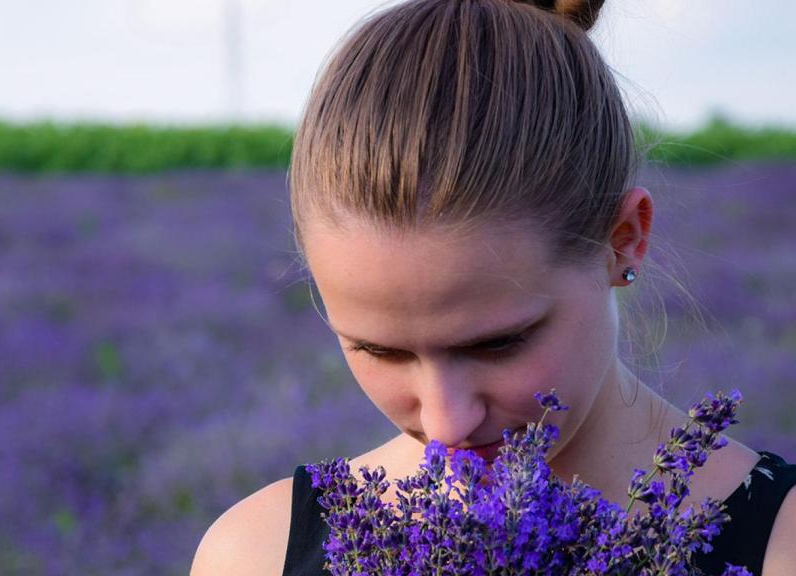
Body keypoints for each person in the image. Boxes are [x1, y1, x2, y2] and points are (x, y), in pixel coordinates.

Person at [190, 0, 796, 574]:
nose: (448, 423)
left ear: (622, 240)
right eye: (382, 351)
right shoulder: (256, 556)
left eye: (497, 343)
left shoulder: (781, 548)